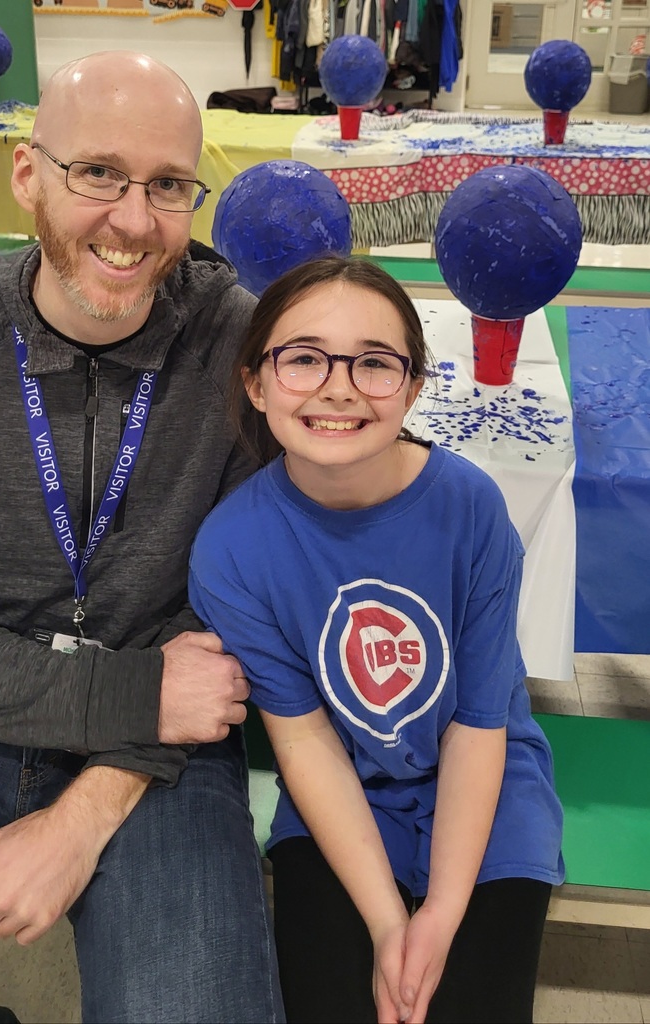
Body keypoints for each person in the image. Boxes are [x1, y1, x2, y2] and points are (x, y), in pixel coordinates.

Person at [0, 52, 284, 1024]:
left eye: (167, 184)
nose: (133, 217)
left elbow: (238, 639)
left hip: (153, 756)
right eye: (99, 174)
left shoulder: (231, 346)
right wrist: (134, 692)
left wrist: (82, 816)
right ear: (29, 175)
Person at [188, 257, 564, 1024]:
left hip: (488, 787)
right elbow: (303, 743)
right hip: (341, 791)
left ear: (414, 388)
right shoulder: (231, 550)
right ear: (256, 385)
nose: (337, 387)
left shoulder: (469, 509)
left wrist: (439, 915)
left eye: (373, 363)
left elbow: (478, 724)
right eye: (302, 358)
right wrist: (389, 922)